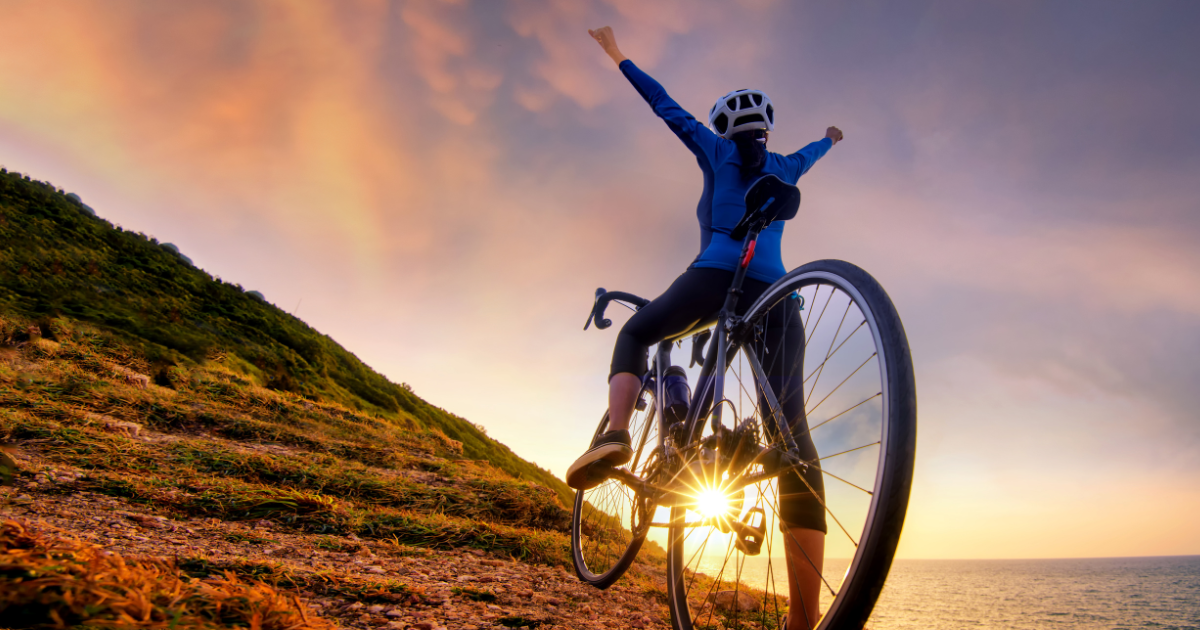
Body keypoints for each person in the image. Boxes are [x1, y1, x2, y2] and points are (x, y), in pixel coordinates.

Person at [566, 26, 843, 630]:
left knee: (635, 335)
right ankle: (805, 618)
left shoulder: (714, 150)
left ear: (725, 131)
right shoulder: (787, 163)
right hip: (777, 293)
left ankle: (617, 435)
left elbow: (664, 104)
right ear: (767, 133)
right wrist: (828, 139)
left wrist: (616, 54)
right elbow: (812, 154)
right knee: (793, 434)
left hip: (714, 276)